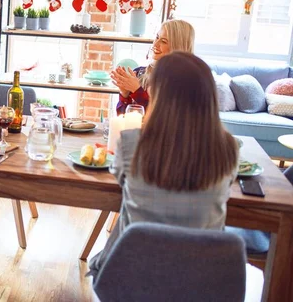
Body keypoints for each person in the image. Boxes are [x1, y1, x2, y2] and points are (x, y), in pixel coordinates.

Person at [89, 52, 239, 280]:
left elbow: (121, 183)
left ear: (159, 95)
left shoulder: (131, 142)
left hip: (130, 276)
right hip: (202, 281)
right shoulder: (229, 147)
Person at [111, 19, 195, 115]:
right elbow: (122, 119)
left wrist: (137, 91)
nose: (155, 44)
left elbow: (164, 119)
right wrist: (124, 94)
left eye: (163, 41)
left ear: (178, 47)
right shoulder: (139, 73)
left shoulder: (185, 84)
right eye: (157, 37)